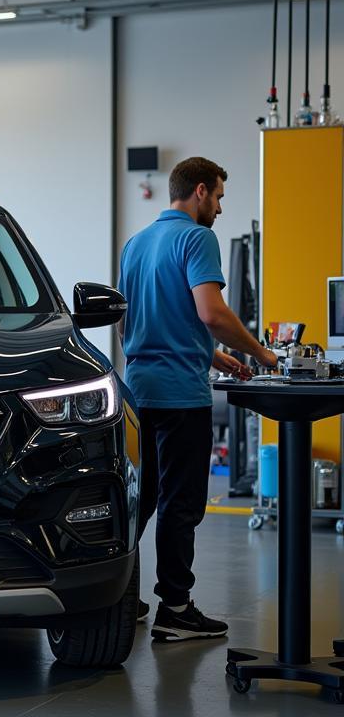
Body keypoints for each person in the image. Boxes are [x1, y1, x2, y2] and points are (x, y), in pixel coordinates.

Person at [118, 157, 277, 642]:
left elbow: (139, 322)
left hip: (138, 391)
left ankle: (122, 597)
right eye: (221, 198)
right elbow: (210, 312)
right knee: (182, 504)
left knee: (138, 501)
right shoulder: (196, 237)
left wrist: (214, 357)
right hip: (181, 398)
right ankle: (177, 609)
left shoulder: (136, 243)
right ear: (201, 191)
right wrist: (261, 353)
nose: (221, 209)